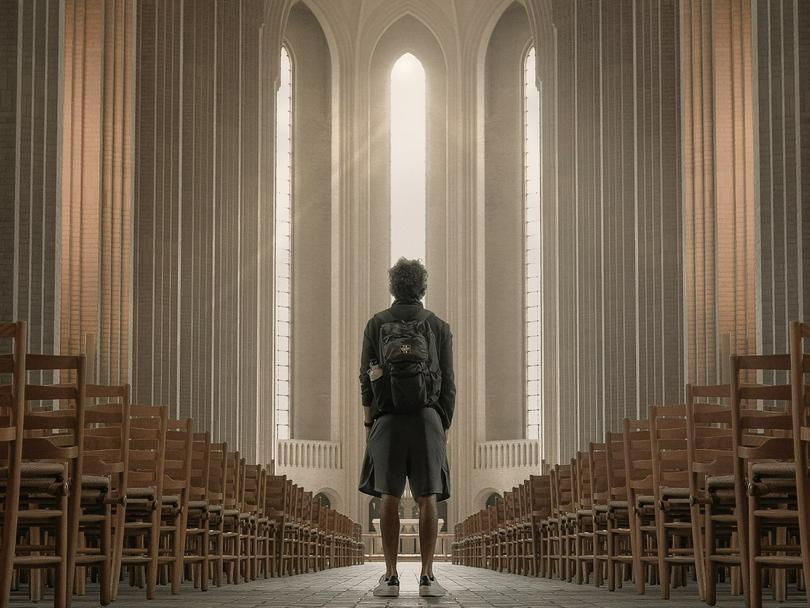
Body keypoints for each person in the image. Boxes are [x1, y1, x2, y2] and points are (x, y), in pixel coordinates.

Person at [358, 257, 456, 598]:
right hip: (427, 418)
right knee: (428, 497)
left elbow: (365, 379)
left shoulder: (376, 323)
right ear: (423, 288)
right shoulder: (439, 325)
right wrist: (441, 422)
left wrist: (370, 421)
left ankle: (390, 577)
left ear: (392, 287)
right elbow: (449, 383)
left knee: (389, 495)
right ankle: (428, 578)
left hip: (386, 418)